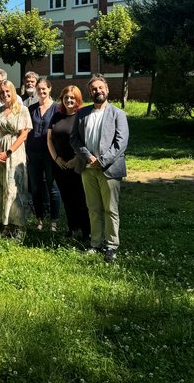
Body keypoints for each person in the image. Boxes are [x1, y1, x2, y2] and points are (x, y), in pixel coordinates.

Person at [71, 75, 129, 263]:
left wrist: (102, 160)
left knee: (111, 209)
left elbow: (121, 142)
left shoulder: (117, 114)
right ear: (90, 92)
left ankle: (112, 246)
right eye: (94, 89)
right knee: (93, 208)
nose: (98, 91)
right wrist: (87, 156)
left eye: (101, 88)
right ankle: (95, 243)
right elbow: (74, 139)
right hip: (87, 168)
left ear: (107, 90)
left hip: (109, 169)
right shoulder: (82, 113)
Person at [0, 80, 32, 237]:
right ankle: (4, 226)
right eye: (2, 92)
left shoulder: (22, 110)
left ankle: (18, 226)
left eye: (8, 91)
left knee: (14, 189)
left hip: (14, 152)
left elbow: (23, 134)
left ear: (13, 92)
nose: (5, 94)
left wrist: (8, 152)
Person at [47, 85, 91, 243]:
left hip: (77, 165)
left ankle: (87, 232)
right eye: (66, 97)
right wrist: (56, 158)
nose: (69, 100)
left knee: (81, 199)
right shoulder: (57, 116)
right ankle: (72, 228)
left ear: (78, 99)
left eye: (72, 97)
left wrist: (76, 160)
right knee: (67, 198)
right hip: (59, 165)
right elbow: (49, 139)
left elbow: (87, 141)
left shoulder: (82, 116)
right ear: (62, 99)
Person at [26, 77, 61, 231]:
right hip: (33, 153)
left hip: (50, 154)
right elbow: (26, 132)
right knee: (35, 187)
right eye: (38, 89)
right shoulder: (31, 109)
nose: (41, 91)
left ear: (49, 89)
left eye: (44, 88)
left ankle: (54, 221)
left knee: (52, 187)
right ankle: (39, 219)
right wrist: (25, 151)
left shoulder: (57, 108)